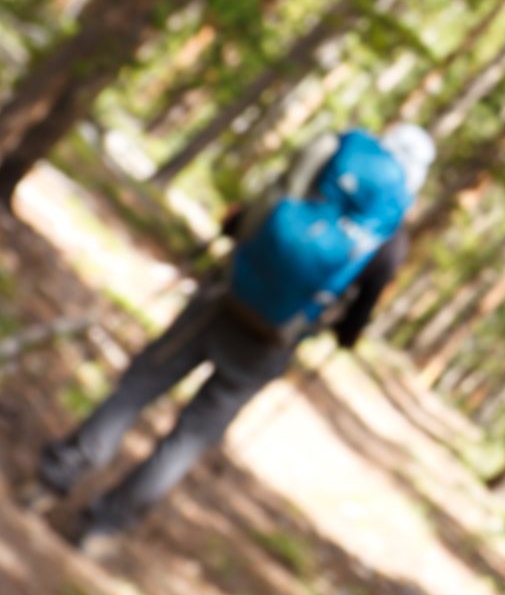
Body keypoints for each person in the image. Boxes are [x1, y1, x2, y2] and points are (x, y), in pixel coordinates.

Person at [29, 124, 435, 548]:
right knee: (188, 438)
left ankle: (53, 479)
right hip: (270, 342)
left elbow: (265, 208)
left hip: (224, 296)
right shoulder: (391, 236)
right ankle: (103, 527)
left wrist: (237, 236)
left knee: (138, 387)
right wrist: (336, 332)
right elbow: (357, 316)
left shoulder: (333, 164)